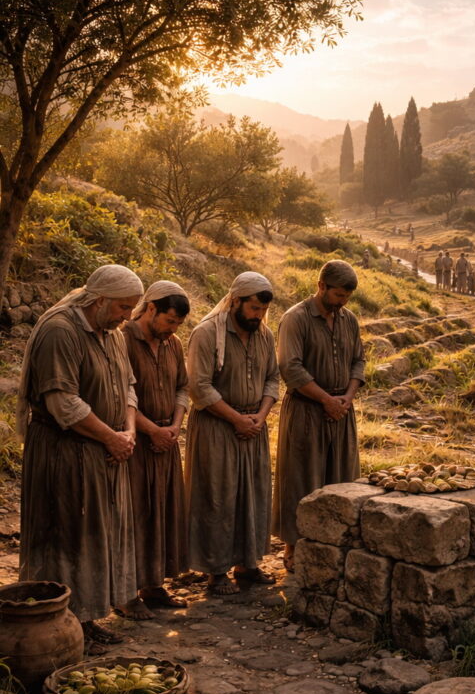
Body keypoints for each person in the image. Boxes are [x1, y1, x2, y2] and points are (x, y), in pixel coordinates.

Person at [17, 264, 143, 647]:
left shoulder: (111, 332)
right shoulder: (61, 330)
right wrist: (111, 438)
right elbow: (62, 402)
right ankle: (56, 626)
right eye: (123, 308)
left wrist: (129, 432)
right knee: (66, 534)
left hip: (104, 450)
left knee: (93, 536)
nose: (128, 318)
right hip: (63, 452)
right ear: (101, 300)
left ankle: (85, 619)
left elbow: (128, 387)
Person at [186, 272, 279, 595]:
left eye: (263, 311)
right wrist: (236, 419)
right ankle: (217, 571)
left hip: (254, 427)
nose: (258, 316)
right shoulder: (207, 333)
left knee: (252, 495)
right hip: (217, 427)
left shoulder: (264, 335)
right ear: (236, 301)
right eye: (254, 308)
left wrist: (259, 416)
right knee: (218, 498)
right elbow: (199, 386)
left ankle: (248, 564)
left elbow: (272, 379)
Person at [273, 260, 365, 572]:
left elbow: (358, 361)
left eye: (347, 298)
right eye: (338, 295)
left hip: (341, 410)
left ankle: (335, 546)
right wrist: (326, 400)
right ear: (321, 286)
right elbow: (291, 368)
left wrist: (346, 398)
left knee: (341, 477)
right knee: (302, 479)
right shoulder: (295, 318)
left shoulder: (348, 319)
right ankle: (294, 548)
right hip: (307, 410)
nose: (343, 302)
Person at [118, 281, 191, 620]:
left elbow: (182, 388)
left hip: (166, 441)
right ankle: (126, 593)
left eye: (178, 324)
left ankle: (154, 585)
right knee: (134, 514)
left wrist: (175, 425)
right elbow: (122, 396)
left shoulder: (173, 344)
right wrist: (152, 431)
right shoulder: (123, 339)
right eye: (169, 320)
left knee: (163, 512)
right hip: (136, 443)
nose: (173, 329)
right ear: (150, 309)